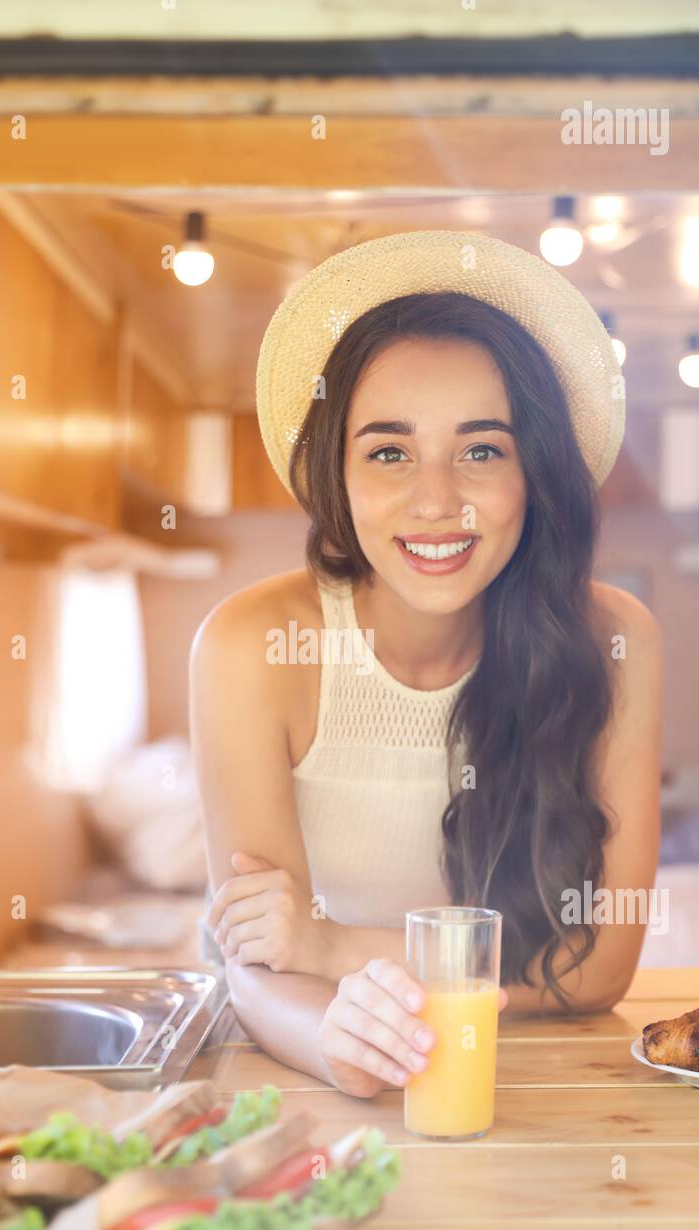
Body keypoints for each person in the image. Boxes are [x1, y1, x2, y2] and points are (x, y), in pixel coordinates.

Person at [189, 230, 662, 1098]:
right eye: (389, 451)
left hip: (536, 1090)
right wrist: (336, 1039)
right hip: (307, 1068)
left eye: (482, 449)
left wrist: (334, 947)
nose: (436, 501)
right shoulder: (250, 646)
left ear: (534, 474)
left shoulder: (613, 641)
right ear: (339, 472)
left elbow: (596, 968)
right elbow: (257, 960)